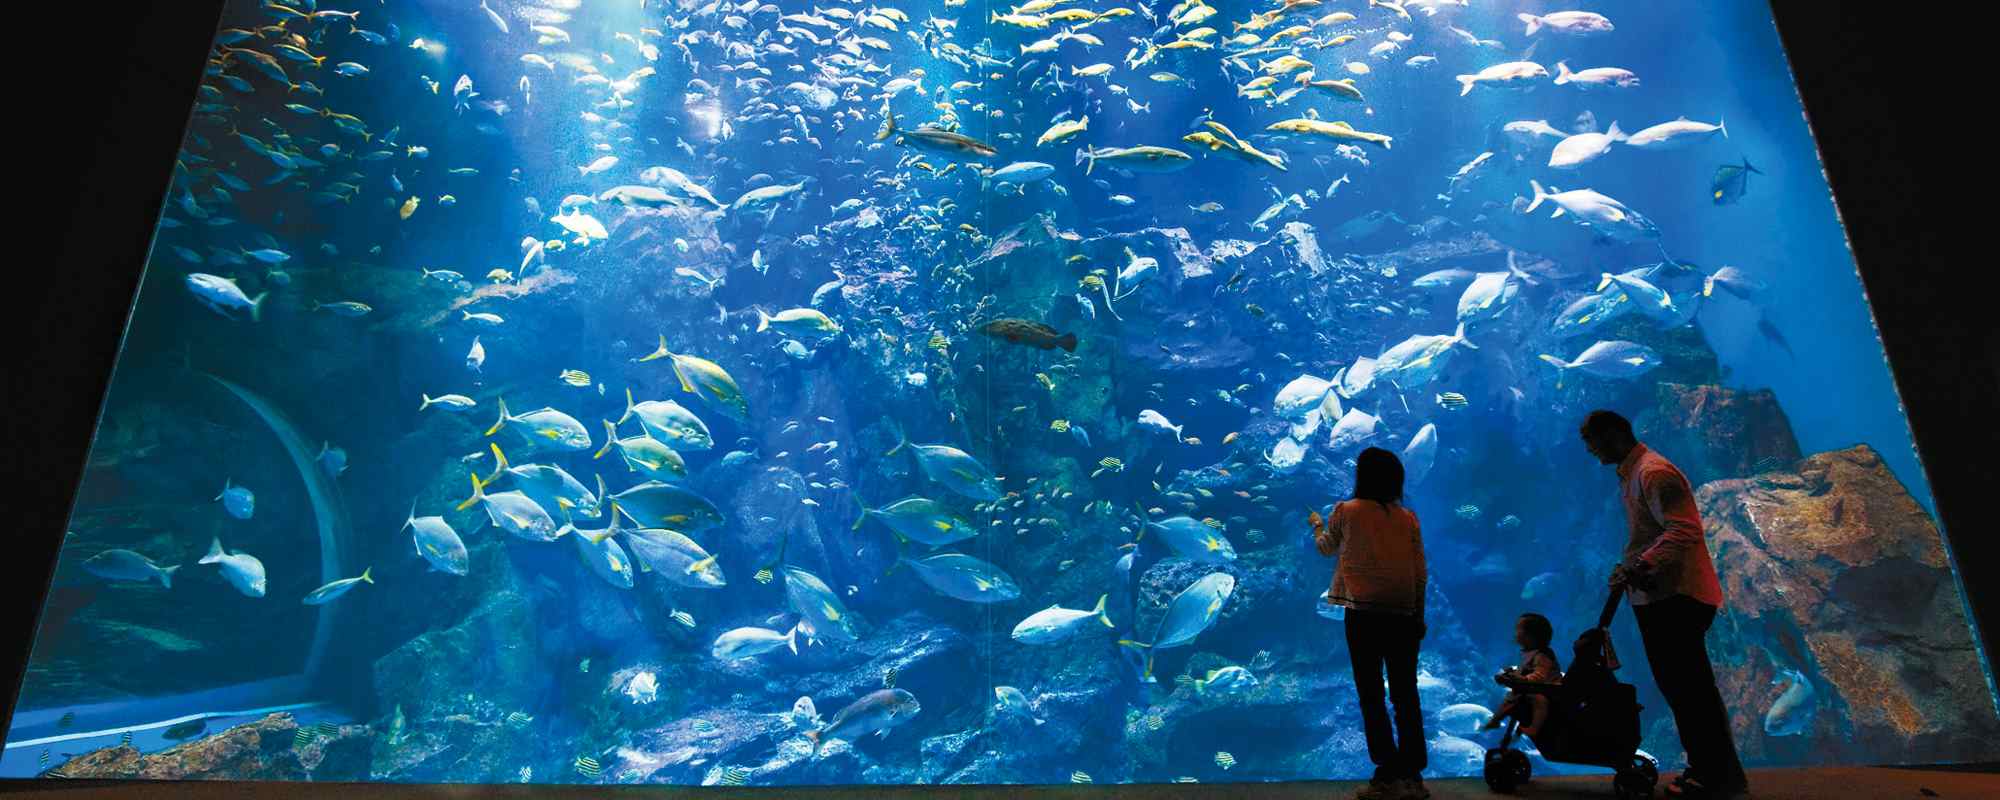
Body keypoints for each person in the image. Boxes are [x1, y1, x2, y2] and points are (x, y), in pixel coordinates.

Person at [1579, 409, 1748, 799]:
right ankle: (1710, 770)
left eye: (1592, 440)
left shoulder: (1654, 473)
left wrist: (1640, 564)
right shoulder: (1634, 474)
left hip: (1677, 597)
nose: (1589, 450)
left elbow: (1685, 529)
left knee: (1691, 692)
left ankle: (1717, 777)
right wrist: (1631, 566)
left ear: (1614, 435)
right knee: (1684, 691)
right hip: (1658, 596)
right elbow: (1651, 534)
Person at [1312, 447, 1429, 800]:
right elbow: (1420, 571)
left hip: (1362, 612)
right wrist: (1419, 615)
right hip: (1404, 613)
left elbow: (1326, 548)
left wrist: (1317, 525)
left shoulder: (1345, 511)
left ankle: (1386, 773)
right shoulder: (1408, 517)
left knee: (1371, 692)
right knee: (1406, 692)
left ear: (1361, 477)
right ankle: (1412, 774)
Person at [1483, 612, 1562, 738]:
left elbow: (1539, 676)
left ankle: (1534, 728)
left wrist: (1523, 678)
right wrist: (1508, 674)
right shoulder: (1529, 653)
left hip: (1549, 691)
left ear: (1531, 637)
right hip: (1532, 688)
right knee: (1511, 697)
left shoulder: (1543, 656)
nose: (1515, 633)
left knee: (1539, 700)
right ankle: (1495, 721)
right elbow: (1523, 669)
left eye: (1519, 630)